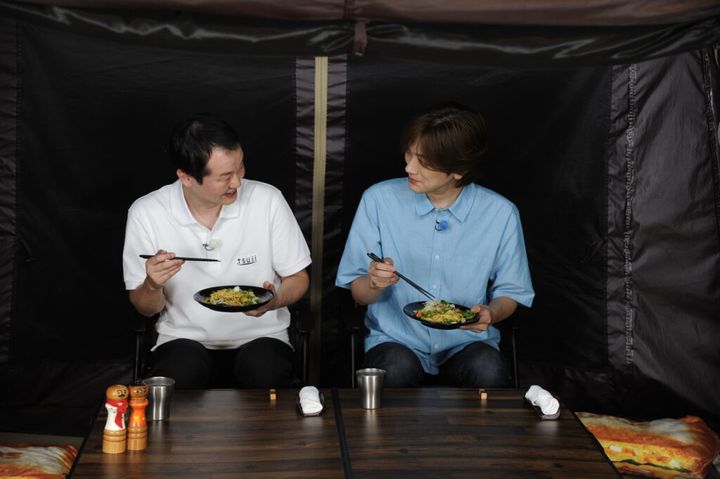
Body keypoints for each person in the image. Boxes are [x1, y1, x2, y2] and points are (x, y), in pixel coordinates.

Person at [336, 102, 534, 388]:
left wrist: (492, 313)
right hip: (396, 340)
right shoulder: (378, 200)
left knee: (488, 370)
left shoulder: (501, 214)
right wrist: (374, 283)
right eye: (409, 153)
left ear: (459, 170)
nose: (409, 167)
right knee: (394, 369)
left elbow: (511, 292)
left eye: (424, 161)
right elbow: (358, 291)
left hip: (467, 342)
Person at [122, 113, 311, 389]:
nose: (237, 183)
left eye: (240, 167)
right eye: (225, 177)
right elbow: (145, 308)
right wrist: (152, 284)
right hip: (182, 339)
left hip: (263, 338)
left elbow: (298, 278)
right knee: (181, 374)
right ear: (186, 177)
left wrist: (274, 300)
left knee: (265, 371)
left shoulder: (267, 200)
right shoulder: (147, 212)